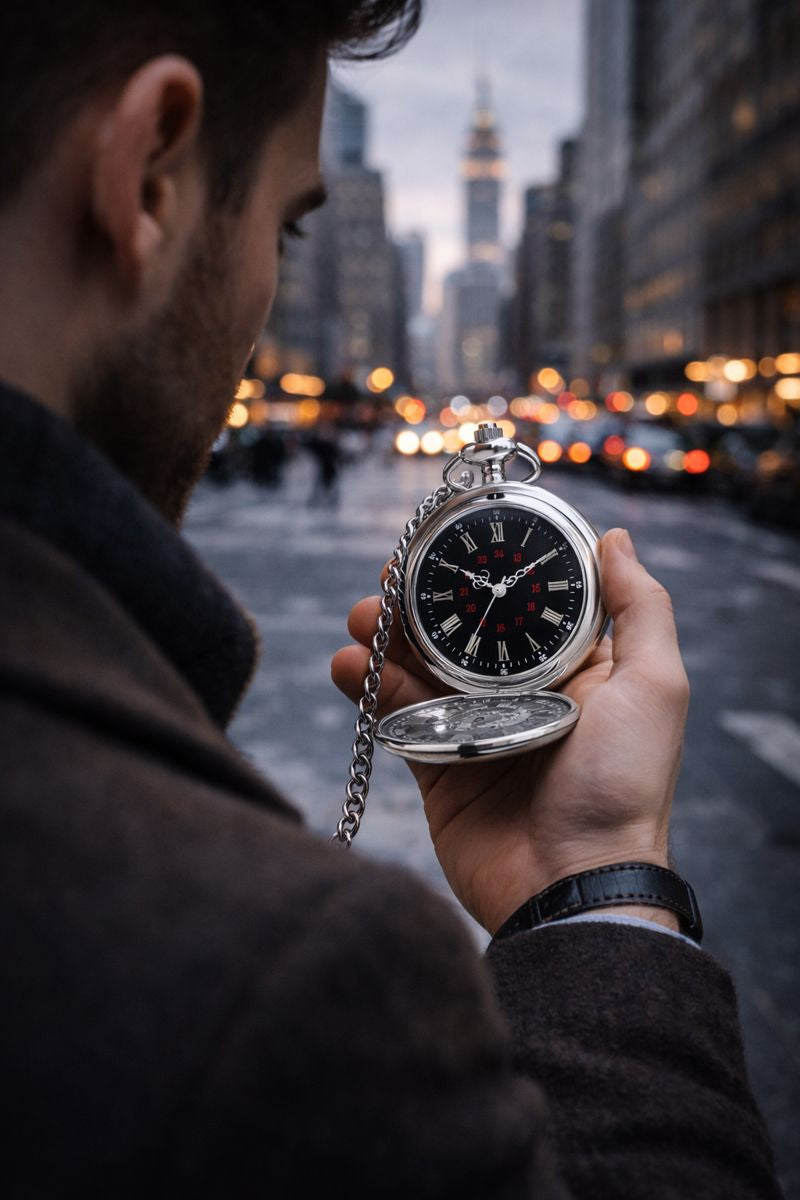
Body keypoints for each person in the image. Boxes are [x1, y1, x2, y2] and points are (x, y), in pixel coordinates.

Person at [0, 3, 782, 1197]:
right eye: (286, 227)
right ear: (150, 172)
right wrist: (601, 884)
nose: (269, 285)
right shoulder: (294, 984)